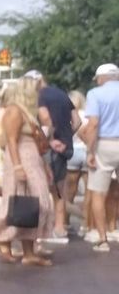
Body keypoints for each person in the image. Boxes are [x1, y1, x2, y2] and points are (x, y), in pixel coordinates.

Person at [0, 78, 54, 265]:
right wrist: (17, 166)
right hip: (21, 159)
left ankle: (28, 252)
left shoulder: (26, 113)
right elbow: (12, 140)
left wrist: (45, 166)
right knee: (21, 203)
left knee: (33, 205)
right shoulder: (14, 111)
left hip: (32, 159)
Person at [28, 70, 80, 243]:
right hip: (65, 148)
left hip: (50, 147)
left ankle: (48, 228)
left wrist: (49, 139)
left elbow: (45, 118)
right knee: (60, 189)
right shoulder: (62, 94)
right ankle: (60, 228)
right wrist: (66, 137)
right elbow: (77, 121)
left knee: (44, 188)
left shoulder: (40, 96)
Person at [81, 63, 119, 252]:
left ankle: (103, 239)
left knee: (98, 193)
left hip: (105, 144)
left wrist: (89, 151)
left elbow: (93, 124)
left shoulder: (95, 94)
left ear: (101, 78)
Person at [66, 90, 88, 235]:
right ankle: (86, 224)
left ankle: (65, 222)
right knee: (89, 192)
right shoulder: (87, 114)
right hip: (86, 151)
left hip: (72, 152)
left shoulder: (68, 115)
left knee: (70, 191)